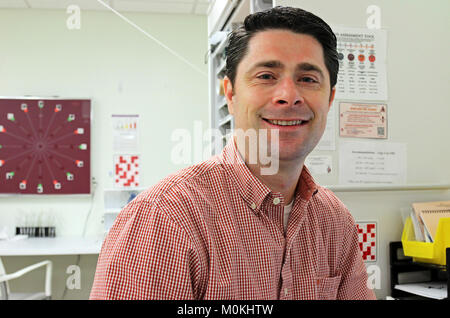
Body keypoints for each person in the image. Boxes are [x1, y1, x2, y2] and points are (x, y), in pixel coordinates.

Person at [90, 6, 376, 300]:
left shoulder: (335, 221)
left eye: (307, 79)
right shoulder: (164, 220)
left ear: (329, 98)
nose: (289, 95)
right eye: (266, 76)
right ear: (230, 94)